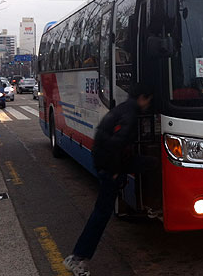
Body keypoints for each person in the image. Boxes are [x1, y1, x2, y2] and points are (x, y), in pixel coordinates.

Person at [64, 84, 157, 276]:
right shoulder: (130, 115)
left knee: (154, 163)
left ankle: (155, 203)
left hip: (108, 164)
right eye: (149, 100)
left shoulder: (122, 109)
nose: (149, 104)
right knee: (101, 215)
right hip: (110, 168)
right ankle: (78, 258)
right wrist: (114, 171)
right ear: (142, 97)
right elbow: (116, 144)